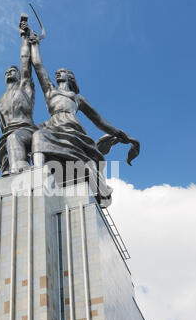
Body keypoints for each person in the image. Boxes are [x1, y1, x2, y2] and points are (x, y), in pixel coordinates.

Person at [29, 32, 139, 206]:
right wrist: (34, 44)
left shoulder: (77, 98)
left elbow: (99, 121)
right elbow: (37, 65)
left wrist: (119, 133)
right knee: (38, 137)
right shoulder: (50, 90)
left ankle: (100, 191)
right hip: (53, 127)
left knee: (88, 165)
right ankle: (35, 175)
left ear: (70, 77)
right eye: (57, 72)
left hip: (73, 130)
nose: (58, 73)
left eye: (62, 72)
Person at [0, 17, 37, 176]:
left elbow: (25, 60)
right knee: (10, 141)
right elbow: (2, 126)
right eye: (6, 72)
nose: (9, 72)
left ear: (19, 76)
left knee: (14, 138)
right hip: (6, 139)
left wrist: (24, 37)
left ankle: (20, 169)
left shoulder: (24, 88)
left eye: (13, 70)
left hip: (26, 131)